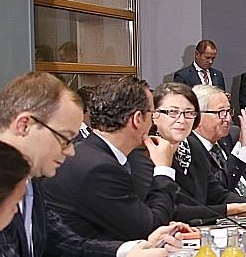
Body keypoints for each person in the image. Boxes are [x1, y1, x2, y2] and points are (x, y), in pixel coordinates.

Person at [0, 72, 177, 257]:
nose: (71, 150)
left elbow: (66, 244)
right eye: (64, 138)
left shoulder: (29, 178)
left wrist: (131, 249)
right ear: (24, 125)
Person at [38, 77, 182, 241]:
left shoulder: (94, 154)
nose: (153, 121)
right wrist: (164, 169)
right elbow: (150, 229)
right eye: (152, 113)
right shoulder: (99, 168)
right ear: (136, 119)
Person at [141, 82, 246, 223]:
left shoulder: (193, 146)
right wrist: (234, 210)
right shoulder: (146, 153)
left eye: (189, 113)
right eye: (173, 112)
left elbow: (217, 194)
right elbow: (174, 211)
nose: (181, 120)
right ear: (154, 115)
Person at [192, 85, 246, 196]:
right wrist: (242, 152)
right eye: (221, 112)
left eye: (228, 111)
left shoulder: (230, 137)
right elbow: (215, 193)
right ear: (198, 116)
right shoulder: (190, 150)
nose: (228, 119)